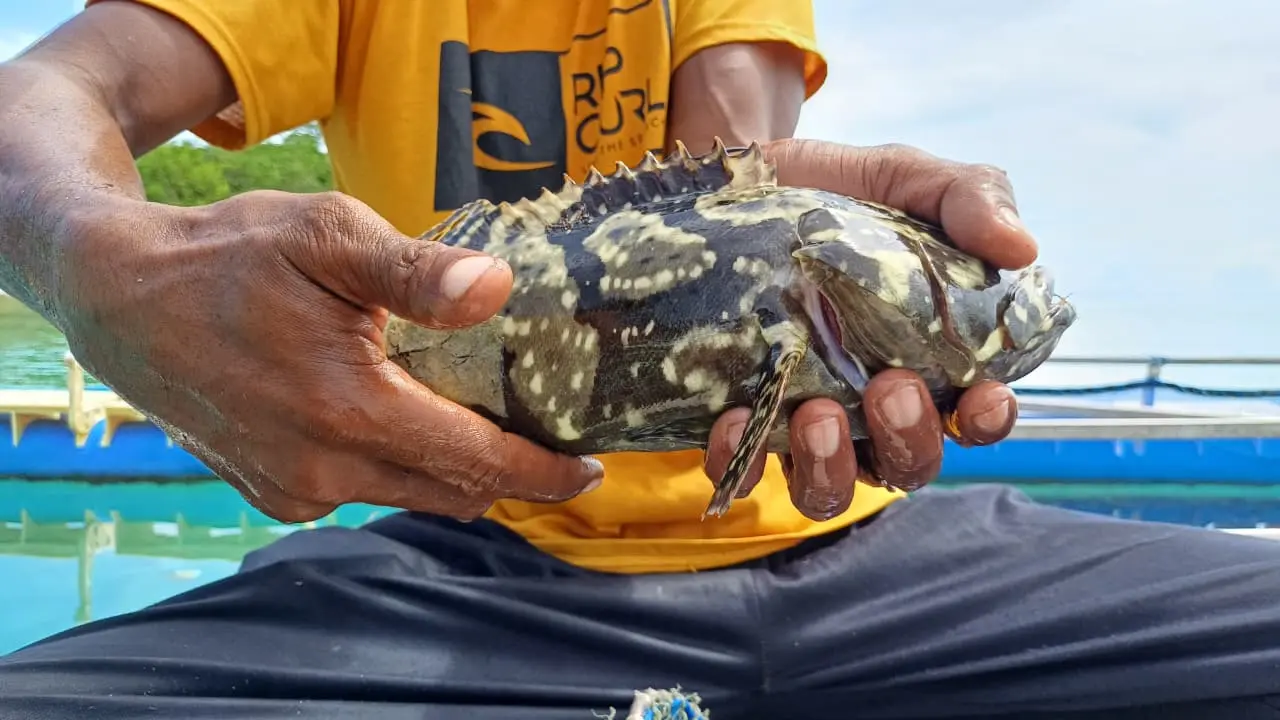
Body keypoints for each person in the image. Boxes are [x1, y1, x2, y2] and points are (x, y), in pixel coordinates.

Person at [1, 1, 1279, 718]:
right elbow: (39, 97)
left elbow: (730, 149)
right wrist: (95, 261)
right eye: (965, 284)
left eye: (972, 287)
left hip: (876, 550)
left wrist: (768, 235)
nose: (993, 299)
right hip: (467, 559)